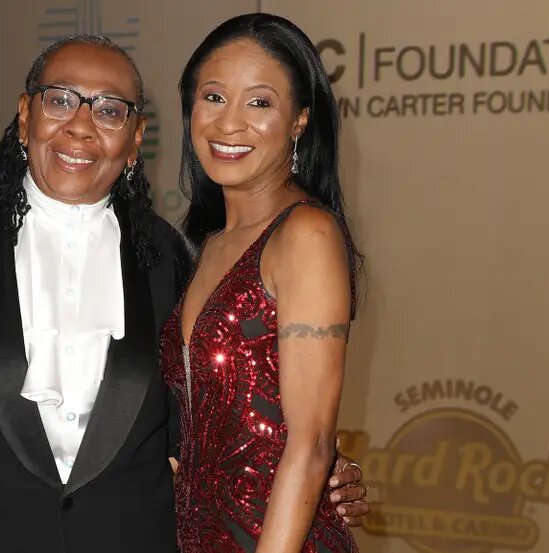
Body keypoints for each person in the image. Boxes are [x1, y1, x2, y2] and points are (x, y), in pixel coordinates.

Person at [0, 34, 367, 553]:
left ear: (135, 139)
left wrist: (321, 466)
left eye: (109, 111)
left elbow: (205, 422)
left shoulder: (169, 256)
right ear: (25, 116)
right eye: (60, 100)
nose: (80, 125)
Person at [161, 14, 364, 552]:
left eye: (258, 102)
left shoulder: (306, 234)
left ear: (300, 120)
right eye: (213, 97)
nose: (229, 123)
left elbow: (311, 445)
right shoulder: (204, 245)